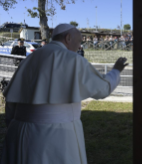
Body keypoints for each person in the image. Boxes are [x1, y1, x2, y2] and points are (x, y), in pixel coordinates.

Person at [1, 24, 128, 163]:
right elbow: (103, 89)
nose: (80, 46)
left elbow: (11, 103)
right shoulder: (73, 59)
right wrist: (116, 71)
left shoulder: (30, 58)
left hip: (18, 133)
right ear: (68, 38)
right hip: (55, 136)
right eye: (79, 42)